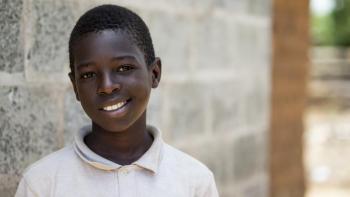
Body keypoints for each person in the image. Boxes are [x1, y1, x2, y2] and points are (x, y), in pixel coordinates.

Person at [15, 4, 218, 197]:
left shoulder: (194, 181)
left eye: (124, 68)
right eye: (88, 75)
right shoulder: (42, 184)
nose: (106, 86)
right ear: (75, 86)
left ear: (154, 74)